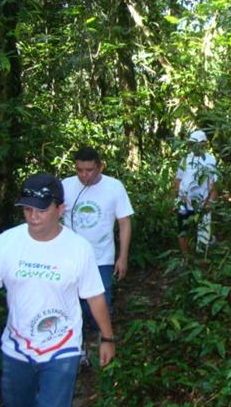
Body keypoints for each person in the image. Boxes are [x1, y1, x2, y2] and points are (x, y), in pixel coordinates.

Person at [0, 173, 115, 407]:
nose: (33, 217)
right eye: (27, 209)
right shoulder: (8, 241)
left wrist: (107, 338)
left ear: (61, 209)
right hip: (17, 346)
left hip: (62, 346)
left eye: (41, 210)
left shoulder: (78, 248)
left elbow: (95, 297)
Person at [61, 147, 133, 362]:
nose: (84, 175)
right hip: (69, 259)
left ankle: (105, 346)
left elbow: (124, 222)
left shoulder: (114, 187)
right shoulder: (65, 186)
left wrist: (123, 257)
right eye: (80, 170)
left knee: (102, 303)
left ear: (100, 166)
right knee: (73, 305)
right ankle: (80, 349)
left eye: (89, 170)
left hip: (101, 258)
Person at [174, 130, 218, 261]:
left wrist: (211, 201)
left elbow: (213, 182)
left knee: (203, 231)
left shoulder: (210, 160)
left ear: (204, 144)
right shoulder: (185, 159)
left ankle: (201, 257)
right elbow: (178, 180)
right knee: (183, 230)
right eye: (191, 144)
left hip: (201, 201)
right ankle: (185, 257)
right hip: (184, 201)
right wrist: (175, 199)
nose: (193, 147)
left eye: (196, 144)